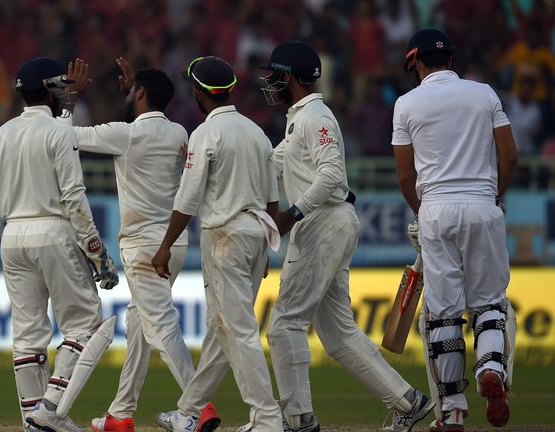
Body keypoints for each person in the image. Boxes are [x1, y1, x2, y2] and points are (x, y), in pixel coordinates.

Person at [258, 40, 433, 432]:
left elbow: (332, 175)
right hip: (327, 223)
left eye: (275, 75)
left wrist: (292, 214)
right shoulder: (299, 117)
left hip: (322, 223)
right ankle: (409, 401)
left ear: (289, 77)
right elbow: (271, 159)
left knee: (284, 324)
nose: (271, 82)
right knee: (338, 335)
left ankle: (298, 419)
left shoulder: (315, 116)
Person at [0, 56, 119, 432]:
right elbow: (74, 197)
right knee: (87, 326)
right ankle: (49, 409)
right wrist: (98, 255)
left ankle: (35, 423)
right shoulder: (60, 132)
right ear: (49, 90)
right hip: (54, 233)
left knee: (28, 336)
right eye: (60, 87)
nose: (65, 93)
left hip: (12, 238)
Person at [64, 57, 219, 432]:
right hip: (174, 244)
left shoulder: (125, 133)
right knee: (139, 323)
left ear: (142, 93)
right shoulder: (180, 133)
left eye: (133, 91)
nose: (127, 94)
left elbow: (64, 137)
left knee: (160, 324)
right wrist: (136, 94)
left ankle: (199, 408)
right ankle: (121, 413)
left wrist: (70, 98)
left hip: (143, 248)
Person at [393, 29, 518, 432]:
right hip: (483, 204)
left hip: (436, 211)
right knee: (489, 304)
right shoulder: (484, 94)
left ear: (416, 63)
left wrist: (421, 212)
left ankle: (452, 410)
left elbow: (405, 174)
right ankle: (492, 367)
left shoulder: (406, 103)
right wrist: (493, 198)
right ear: (452, 60)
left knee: (443, 313)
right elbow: (509, 155)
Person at [152, 56, 283, 432]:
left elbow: (187, 198)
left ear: (198, 93)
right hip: (257, 232)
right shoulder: (257, 132)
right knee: (220, 329)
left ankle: (268, 419)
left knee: (236, 329)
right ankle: (190, 411)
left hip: (226, 236)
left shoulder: (206, 134)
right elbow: (273, 198)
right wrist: (265, 246)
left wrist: (164, 247)